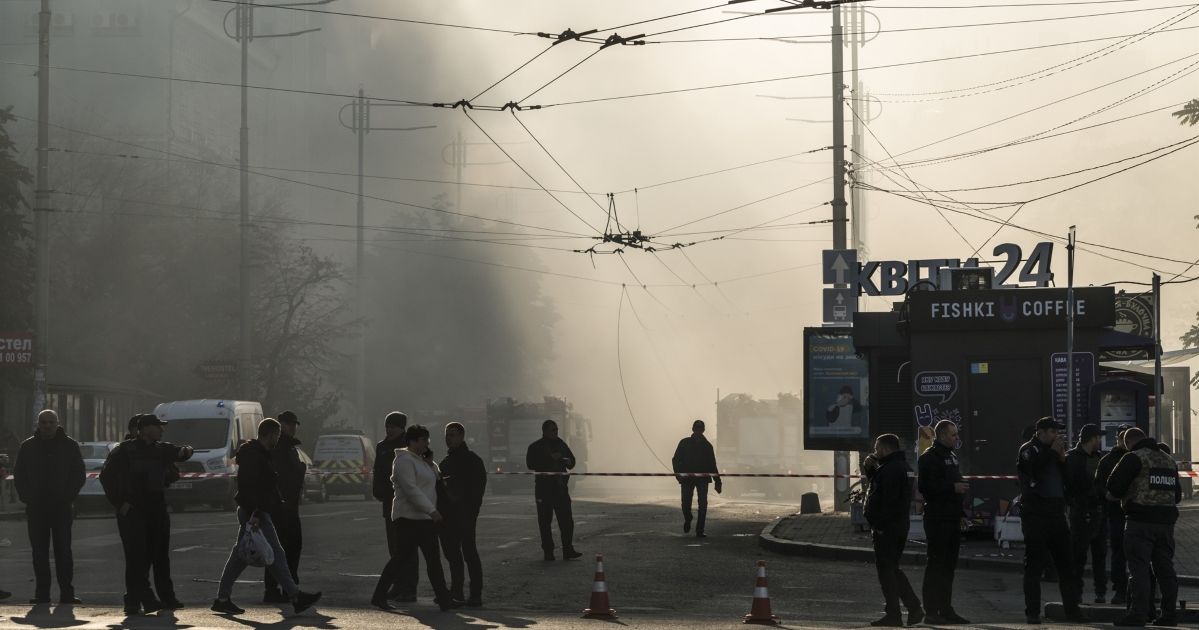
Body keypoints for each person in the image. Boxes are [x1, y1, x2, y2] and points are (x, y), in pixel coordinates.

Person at [211, 419, 321, 616]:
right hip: (256, 512)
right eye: (277, 435)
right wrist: (255, 513)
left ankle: (222, 599)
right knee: (276, 553)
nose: (278, 439)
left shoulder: (259, 453)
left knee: (239, 556)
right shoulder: (254, 455)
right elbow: (250, 486)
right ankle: (295, 596)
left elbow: (264, 484)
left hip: (257, 511)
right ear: (270, 434)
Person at [99, 414, 194, 615]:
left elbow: (182, 454)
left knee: (159, 556)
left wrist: (186, 450)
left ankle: (166, 598)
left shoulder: (161, 449)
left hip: (156, 509)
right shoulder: (124, 451)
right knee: (136, 557)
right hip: (133, 511)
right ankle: (134, 601)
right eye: (158, 426)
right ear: (146, 429)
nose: (162, 430)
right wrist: (120, 504)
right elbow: (106, 477)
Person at [372, 424, 458, 611]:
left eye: (427, 440)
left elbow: (436, 478)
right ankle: (379, 596)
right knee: (400, 560)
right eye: (423, 440)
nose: (427, 444)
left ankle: (444, 599)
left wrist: (430, 462)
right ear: (412, 441)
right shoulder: (403, 461)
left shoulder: (422, 461)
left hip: (425, 520)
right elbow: (411, 490)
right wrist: (432, 510)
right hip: (408, 519)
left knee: (433, 561)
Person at [1105, 427, 1180, 627]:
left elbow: (1113, 486)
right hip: (1166, 524)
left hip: (1139, 522)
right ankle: (1169, 614)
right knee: (1166, 570)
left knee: (1139, 570)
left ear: (1129, 443)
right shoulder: (1168, 460)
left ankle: (1138, 614)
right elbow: (1177, 495)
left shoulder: (1133, 458)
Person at [1017, 417, 1086, 624]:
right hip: (1036, 514)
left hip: (1056, 515)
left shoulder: (1055, 453)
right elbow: (1034, 473)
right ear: (1042, 432)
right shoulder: (1029, 450)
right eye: (1053, 432)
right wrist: (1053, 453)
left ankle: (1072, 610)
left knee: (1067, 565)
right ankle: (1032, 612)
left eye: (1057, 432)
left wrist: (1063, 461)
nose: (1057, 436)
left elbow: (1069, 483)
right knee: (1034, 565)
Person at [14, 409, 85, 604]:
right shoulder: (28, 446)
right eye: (43, 422)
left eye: (51, 422)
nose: (47, 426)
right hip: (37, 509)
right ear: (38, 424)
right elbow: (19, 475)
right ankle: (42, 594)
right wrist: (28, 498)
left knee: (63, 551)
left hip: (61, 508)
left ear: (57, 423)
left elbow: (78, 474)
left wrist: (67, 497)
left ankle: (67, 594)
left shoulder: (69, 445)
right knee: (39, 552)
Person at [864, 434, 923, 627]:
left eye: (877, 448)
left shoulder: (890, 469)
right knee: (892, 569)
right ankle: (911, 608)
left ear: (885, 448)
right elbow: (880, 489)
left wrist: (880, 525)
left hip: (888, 528)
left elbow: (887, 499)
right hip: (898, 525)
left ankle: (896, 613)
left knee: (886, 571)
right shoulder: (901, 467)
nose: (875, 452)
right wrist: (870, 470)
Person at [917, 419, 969, 625]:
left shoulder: (951, 456)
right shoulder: (929, 457)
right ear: (942, 435)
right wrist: (952, 487)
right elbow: (925, 487)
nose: (957, 438)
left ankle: (946, 609)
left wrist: (961, 513)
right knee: (936, 565)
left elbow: (955, 482)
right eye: (953, 434)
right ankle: (931, 611)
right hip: (937, 517)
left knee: (949, 566)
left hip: (952, 516)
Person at [438, 422, 487, 607]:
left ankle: (475, 594)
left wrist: (470, 512)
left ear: (461, 436)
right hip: (448, 516)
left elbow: (477, 491)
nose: (448, 438)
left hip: (465, 515)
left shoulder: (473, 461)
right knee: (453, 555)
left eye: (452, 435)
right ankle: (456, 591)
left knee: (469, 554)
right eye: (447, 435)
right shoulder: (445, 463)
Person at [373, 411, 418, 601]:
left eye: (393, 427)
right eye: (387, 426)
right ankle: (399, 584)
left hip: (407, 504)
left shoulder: (410, 446)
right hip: (389, 503)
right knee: (394, 548)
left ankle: (410, 588)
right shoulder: (382, 447)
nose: (389, 430)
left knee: (408, 548)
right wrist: (378, 491)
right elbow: (378, 471)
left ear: (401, 428)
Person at [263, 411, 306, 604]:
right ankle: (280, 589)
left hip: (288, 505)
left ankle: (286, 588)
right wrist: (301, 469)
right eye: (289, 424)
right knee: (281, 548)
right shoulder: (280, 448)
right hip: (281, 506)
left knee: (288, 547)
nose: (292, 427)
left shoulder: (289, 447)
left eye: (294, 424)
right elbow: (284, 477)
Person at [526, 419, 582, 561]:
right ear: (545, 431)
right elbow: (530, 464)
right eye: (553, 430)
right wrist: (549, 458)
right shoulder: (536, 447)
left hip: (560, 489)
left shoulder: (561, 444)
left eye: (556, 429)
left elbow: (572, 461)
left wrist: (568, 461)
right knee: (545, 522)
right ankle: (548, 552)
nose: (556, 432)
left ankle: (568, 549)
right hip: (544, 490)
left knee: (567, 521)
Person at [1066, 423, 1108, 604]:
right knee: (1079, 554)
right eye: (1098, 437)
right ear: (1092, 438)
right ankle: (1076, 593)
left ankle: (1100, 592)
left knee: (1100, 554)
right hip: (1081, 512)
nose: (1100, 441)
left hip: (1098, 511)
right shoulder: (1072, 458)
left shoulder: (1099, 457)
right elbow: (1070, 485)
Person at [1097, 424, 1133, 606]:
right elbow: (1100, 486)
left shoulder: (1137, 458)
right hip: (1116, 514)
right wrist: (1109, 495)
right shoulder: (1108, 460)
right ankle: (1120, 589)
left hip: (1135, 513)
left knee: (1137, 553)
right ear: (1118, 438)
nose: (1125, 441)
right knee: (1118, 552)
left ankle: (1136, 590)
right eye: (1122, 437)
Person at [671, 419, 722, 538]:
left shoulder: (707, 446)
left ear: (703, 430)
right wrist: (678, 475)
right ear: (693, 429)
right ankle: (688, 518)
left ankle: (700, 530)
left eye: (700, 428)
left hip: (702, 479)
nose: (698, 431)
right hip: (687, 479)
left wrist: (718, 482)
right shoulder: (684, 443)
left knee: (703, 504)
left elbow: (712, 465)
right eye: (697, 428)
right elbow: (676, 459)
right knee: (685, 503)